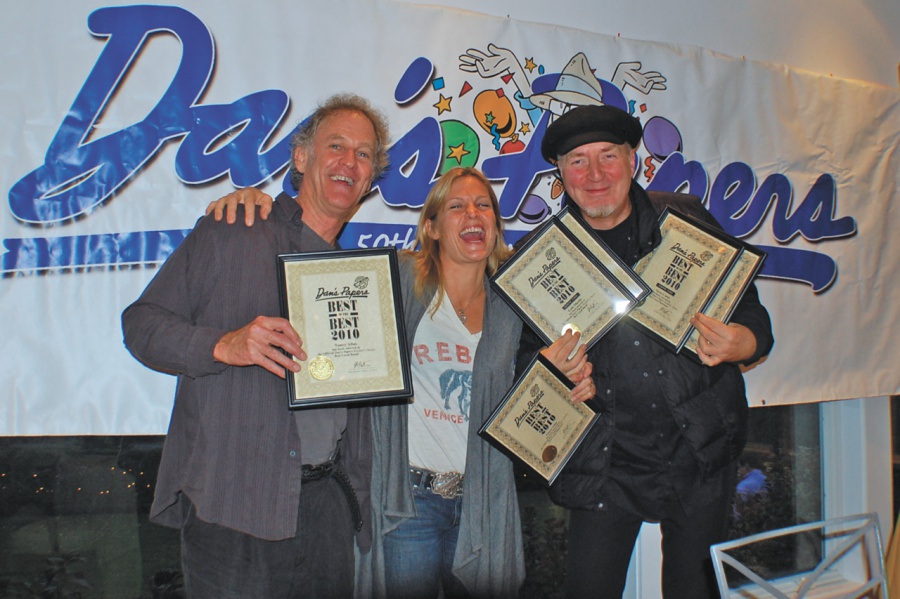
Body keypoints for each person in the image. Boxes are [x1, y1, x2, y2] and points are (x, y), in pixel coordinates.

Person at [210, 167, 594, 598]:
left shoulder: (515, 306)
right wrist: (257, 209)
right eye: (457, 206)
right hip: (408, 503)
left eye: (484, 206)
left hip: (483, 502)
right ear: (430, 226)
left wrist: (570, 380)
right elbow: (313, 275)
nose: (473, 213)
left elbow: (534, 388)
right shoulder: (393, 280)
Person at [121, 93, 391, 598]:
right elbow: (140, 324)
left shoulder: (358, 276)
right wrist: (223, 344)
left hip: (328, 510)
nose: (348, 162)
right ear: (301, 157)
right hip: (235, 506)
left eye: (362, 154)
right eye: (336, 145)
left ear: (371, 179)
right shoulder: (234, 230)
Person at [516, 104, 775, 598]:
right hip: (604, 464)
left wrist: (743, 342)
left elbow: (752, 316)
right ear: (560, 174)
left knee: (694, 592)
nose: (595, 174)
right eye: (577, 160)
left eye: (608, 156)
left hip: (698, 451)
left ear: (632, 160)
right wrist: (551, 372)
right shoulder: (544, 256)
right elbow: (526, 360)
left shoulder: (685, 220)